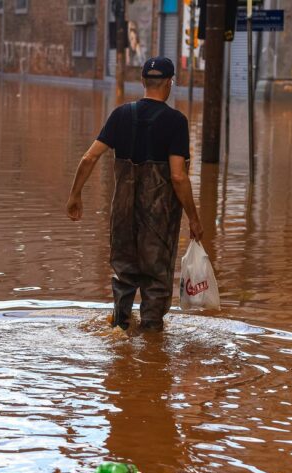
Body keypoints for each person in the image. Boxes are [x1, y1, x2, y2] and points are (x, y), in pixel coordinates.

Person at [66, 56, 203, 332]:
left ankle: (120, 328)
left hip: (123, 214)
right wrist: (194, 217)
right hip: (159, 218)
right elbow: (178, 176)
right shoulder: (175, 121)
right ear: (169, 83)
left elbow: (89, 157)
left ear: (142, 82)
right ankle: (152, 347)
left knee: (124, 274)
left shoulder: (121, 115)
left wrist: (75, 195)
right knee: (155, 280)